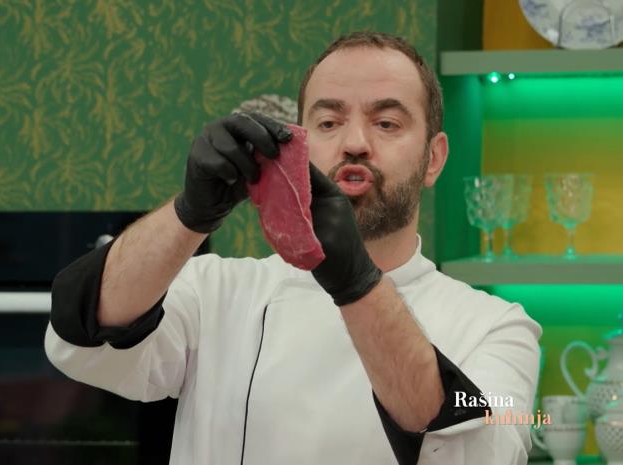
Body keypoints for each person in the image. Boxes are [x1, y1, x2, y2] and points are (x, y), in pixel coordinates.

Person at [45, 31, 542, 465]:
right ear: (298, 146)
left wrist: (356, 283)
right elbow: (81, 342)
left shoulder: (500, 329)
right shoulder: (215, 291)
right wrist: (189, 214)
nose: (354, 142)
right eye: (328, 123)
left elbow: (482, 453)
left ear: (433, 159)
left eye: (387, 123)